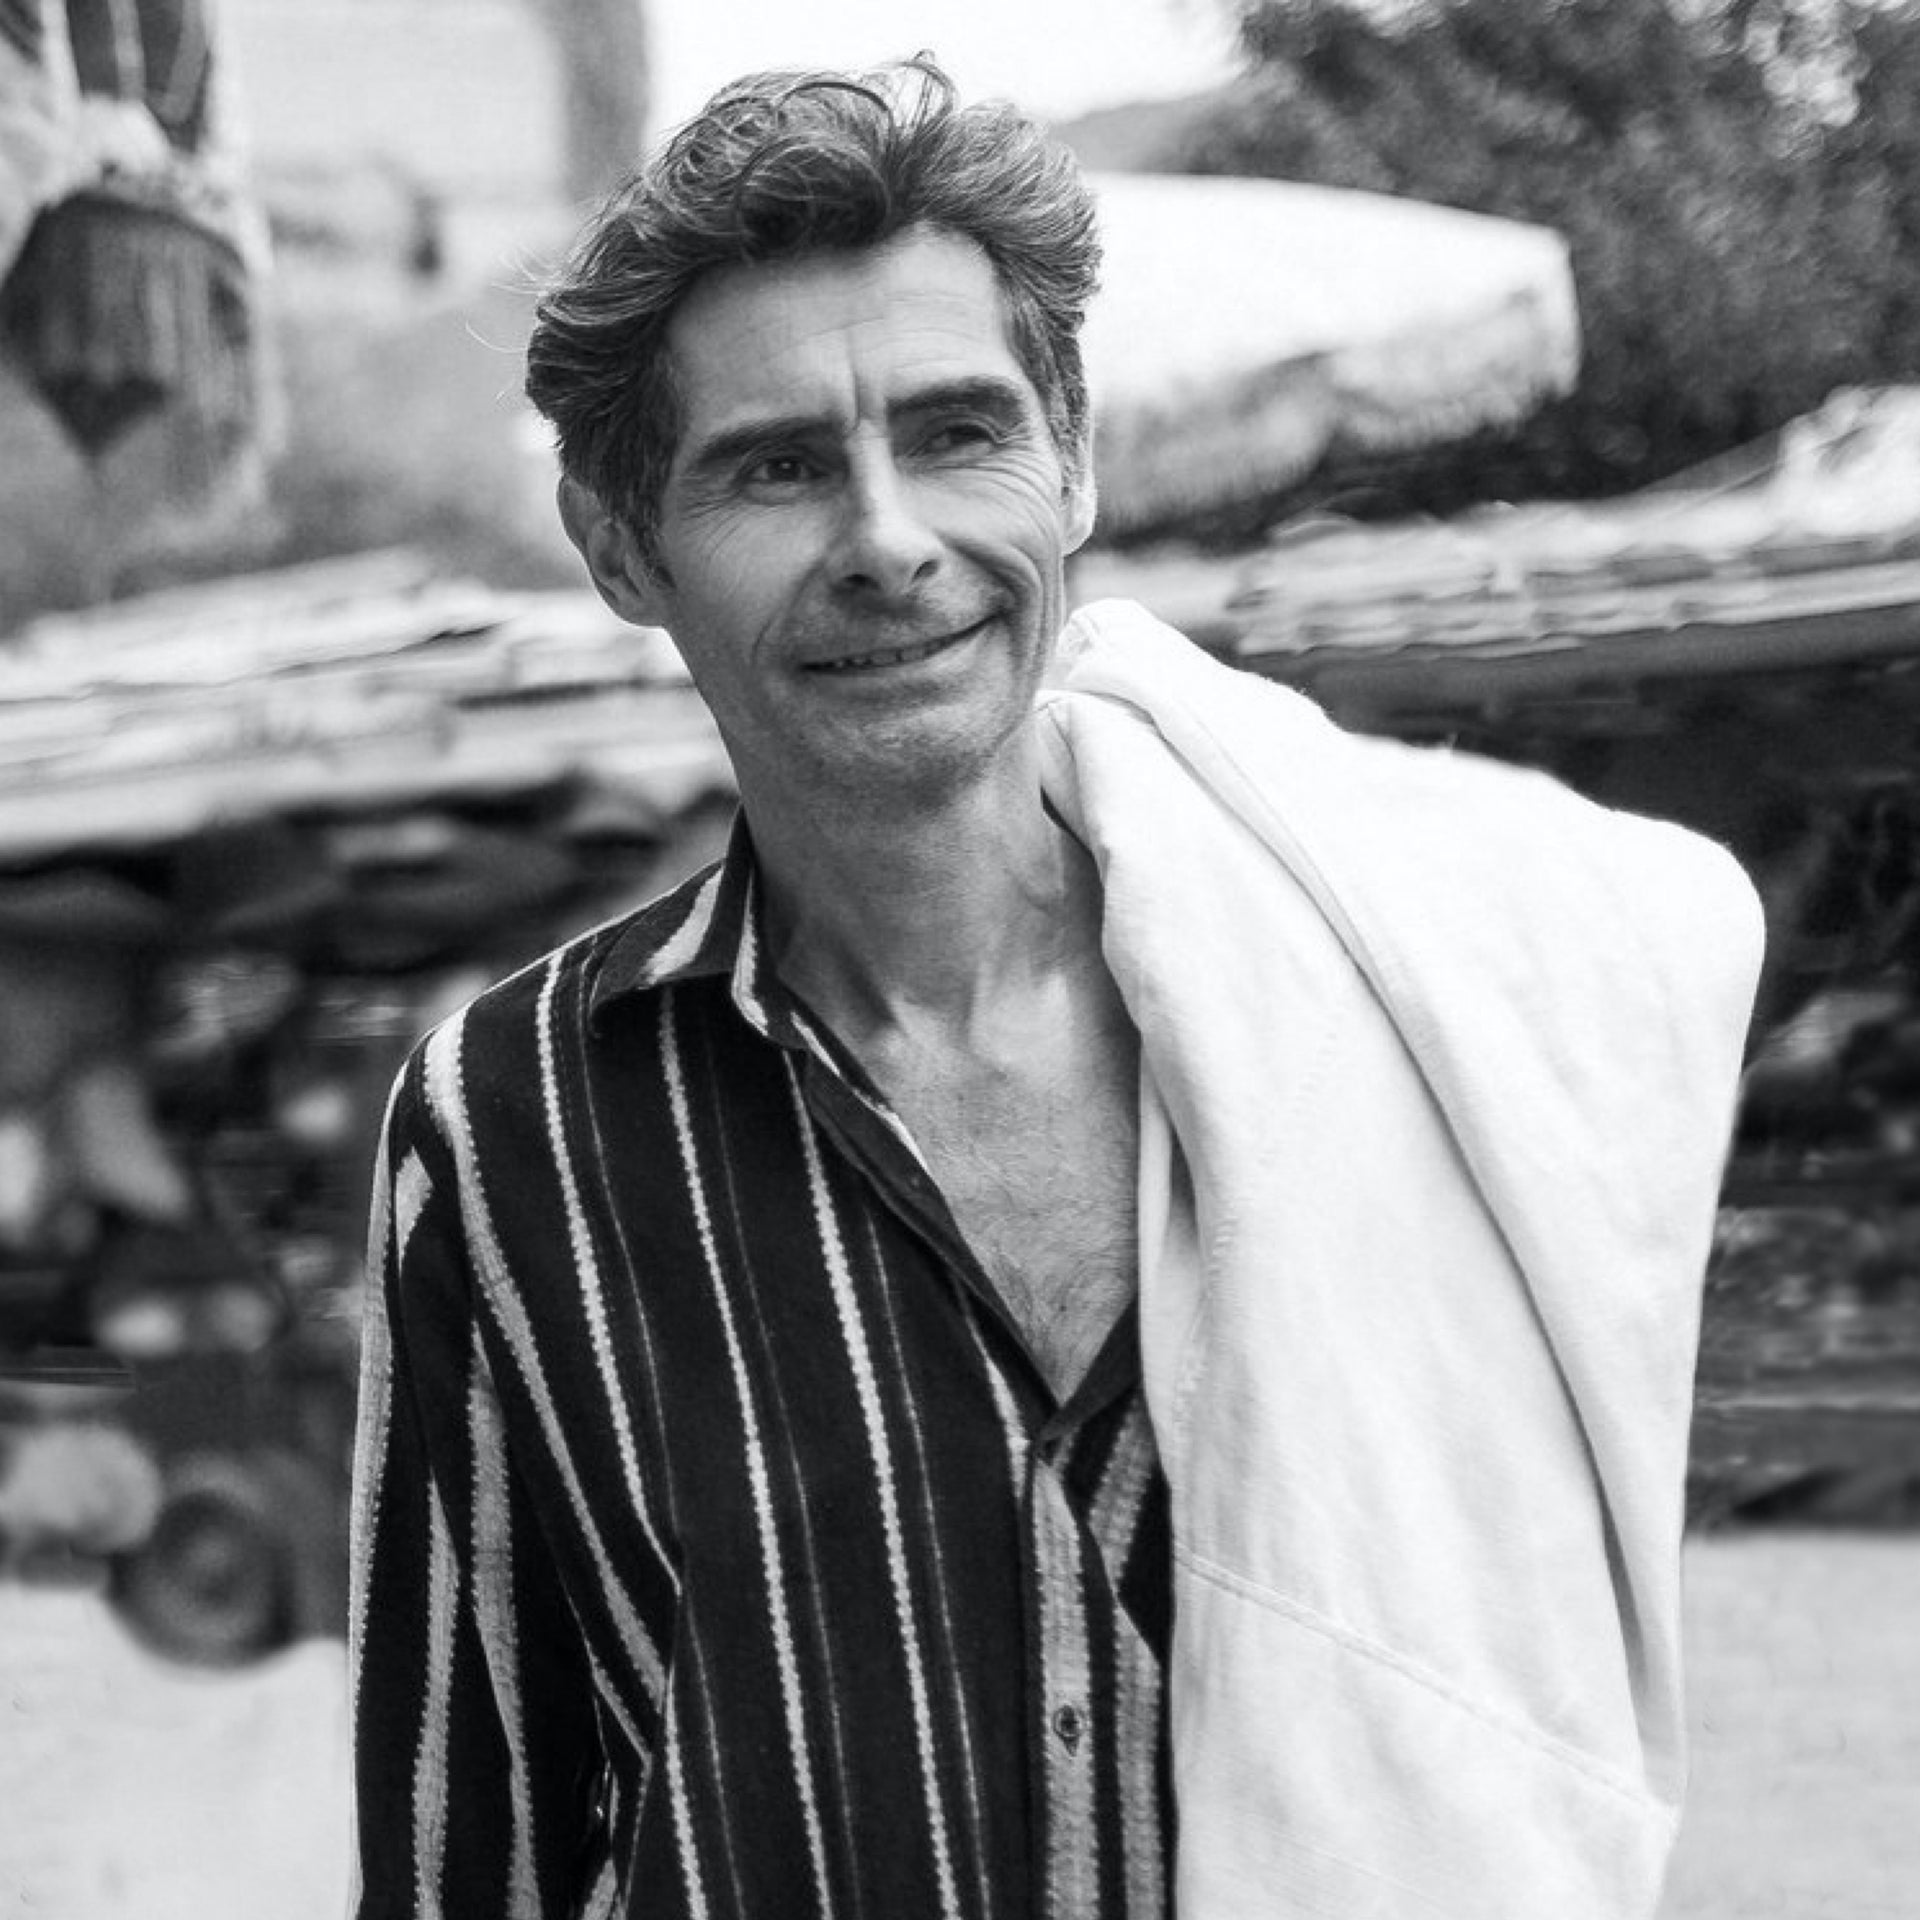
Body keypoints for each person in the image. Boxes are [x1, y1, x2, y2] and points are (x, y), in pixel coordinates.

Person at [347, 57, 1764, 1920]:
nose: (888, 541)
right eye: (778, 466)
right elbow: (473, 1849)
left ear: (1072, 460)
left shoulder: (1379, 1014)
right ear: (622, 546)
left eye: (958, 433)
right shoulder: (513, 1118)